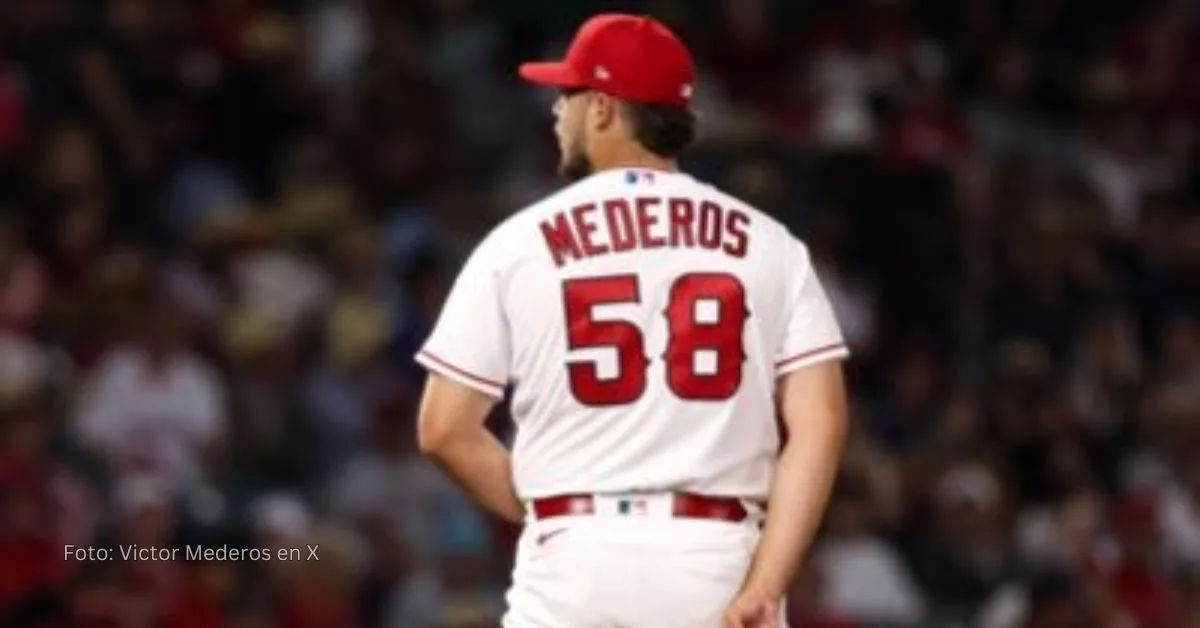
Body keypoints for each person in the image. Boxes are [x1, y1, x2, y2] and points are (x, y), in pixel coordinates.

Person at [414, 13, 849, 628]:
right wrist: (767, 585)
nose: (556, 113)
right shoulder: (770, 244)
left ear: (601, 109)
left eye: (567, 95)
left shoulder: (518, 243)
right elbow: (820, 423)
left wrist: (554, 508)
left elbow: (442, 430)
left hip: (572, 562)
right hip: (715, 556)